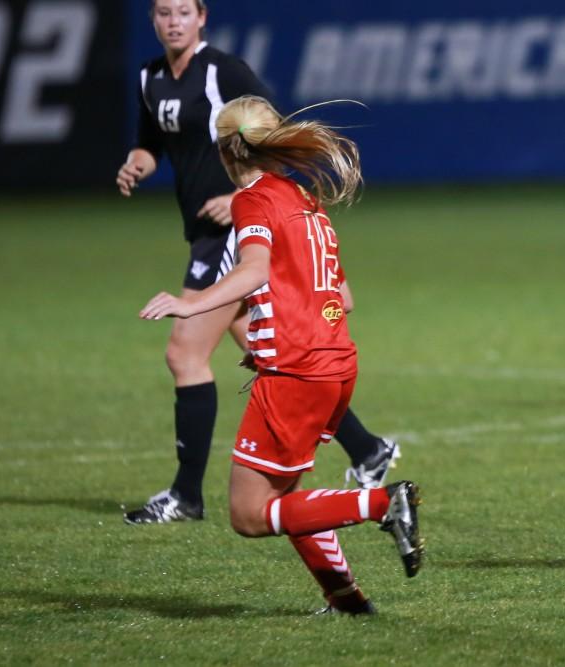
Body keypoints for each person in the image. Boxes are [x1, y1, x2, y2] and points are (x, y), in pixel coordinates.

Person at [117, 0, 399, 525]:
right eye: (162, 12)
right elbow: (153, 141)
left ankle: (186, 494)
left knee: (185, 354)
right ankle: (367, 450)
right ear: (153, 21)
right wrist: (140, 161)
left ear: (202, 16)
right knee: (278, 352)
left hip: (237, 233)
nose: (172, 20)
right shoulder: (150, 77)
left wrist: (244, 197)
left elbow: (265, 129)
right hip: (208, 230)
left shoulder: (223, 71)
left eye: (183, 11)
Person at [138, 94, 422, 614]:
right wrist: (293, 319)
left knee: (249, 514)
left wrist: (191, 302)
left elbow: (254, 271)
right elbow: (343, 298)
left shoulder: (252, 200)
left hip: (297, 373)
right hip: (335, 364)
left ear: (226, 153)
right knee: (287, 497)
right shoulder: (304, 199)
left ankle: (383, 503)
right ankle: (347, 601)